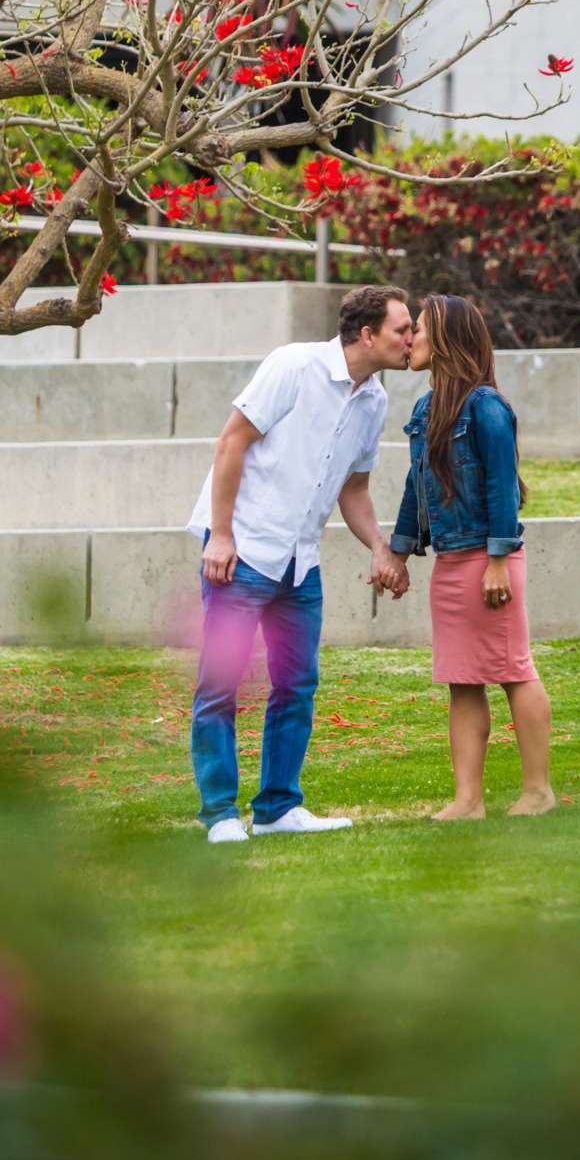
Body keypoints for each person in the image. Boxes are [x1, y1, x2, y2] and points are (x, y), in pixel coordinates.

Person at [185, 285, 414, 843]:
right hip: (242, 553)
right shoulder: (293, 365)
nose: (413, 339)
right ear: (367, 334)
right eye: (403, 329)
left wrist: (381, 549)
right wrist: (220, 534)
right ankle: (219, 814)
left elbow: (353, 488)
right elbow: (231, 443)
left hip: (299, 564)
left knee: (296, 685)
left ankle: (277, 809)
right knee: (221, 685)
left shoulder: (375, 399)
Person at [387, 296, 557, 819]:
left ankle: (538, 792)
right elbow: (418, 488)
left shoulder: (487, 407)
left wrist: (499, 560)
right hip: (451, 563)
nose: (409, 339)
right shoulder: (424, 410)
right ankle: (468, 801)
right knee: (462, 681)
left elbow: (502, 487)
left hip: (489, 561)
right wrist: (398, 553)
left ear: (445, 337)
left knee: (514, 672)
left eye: (416, 329)